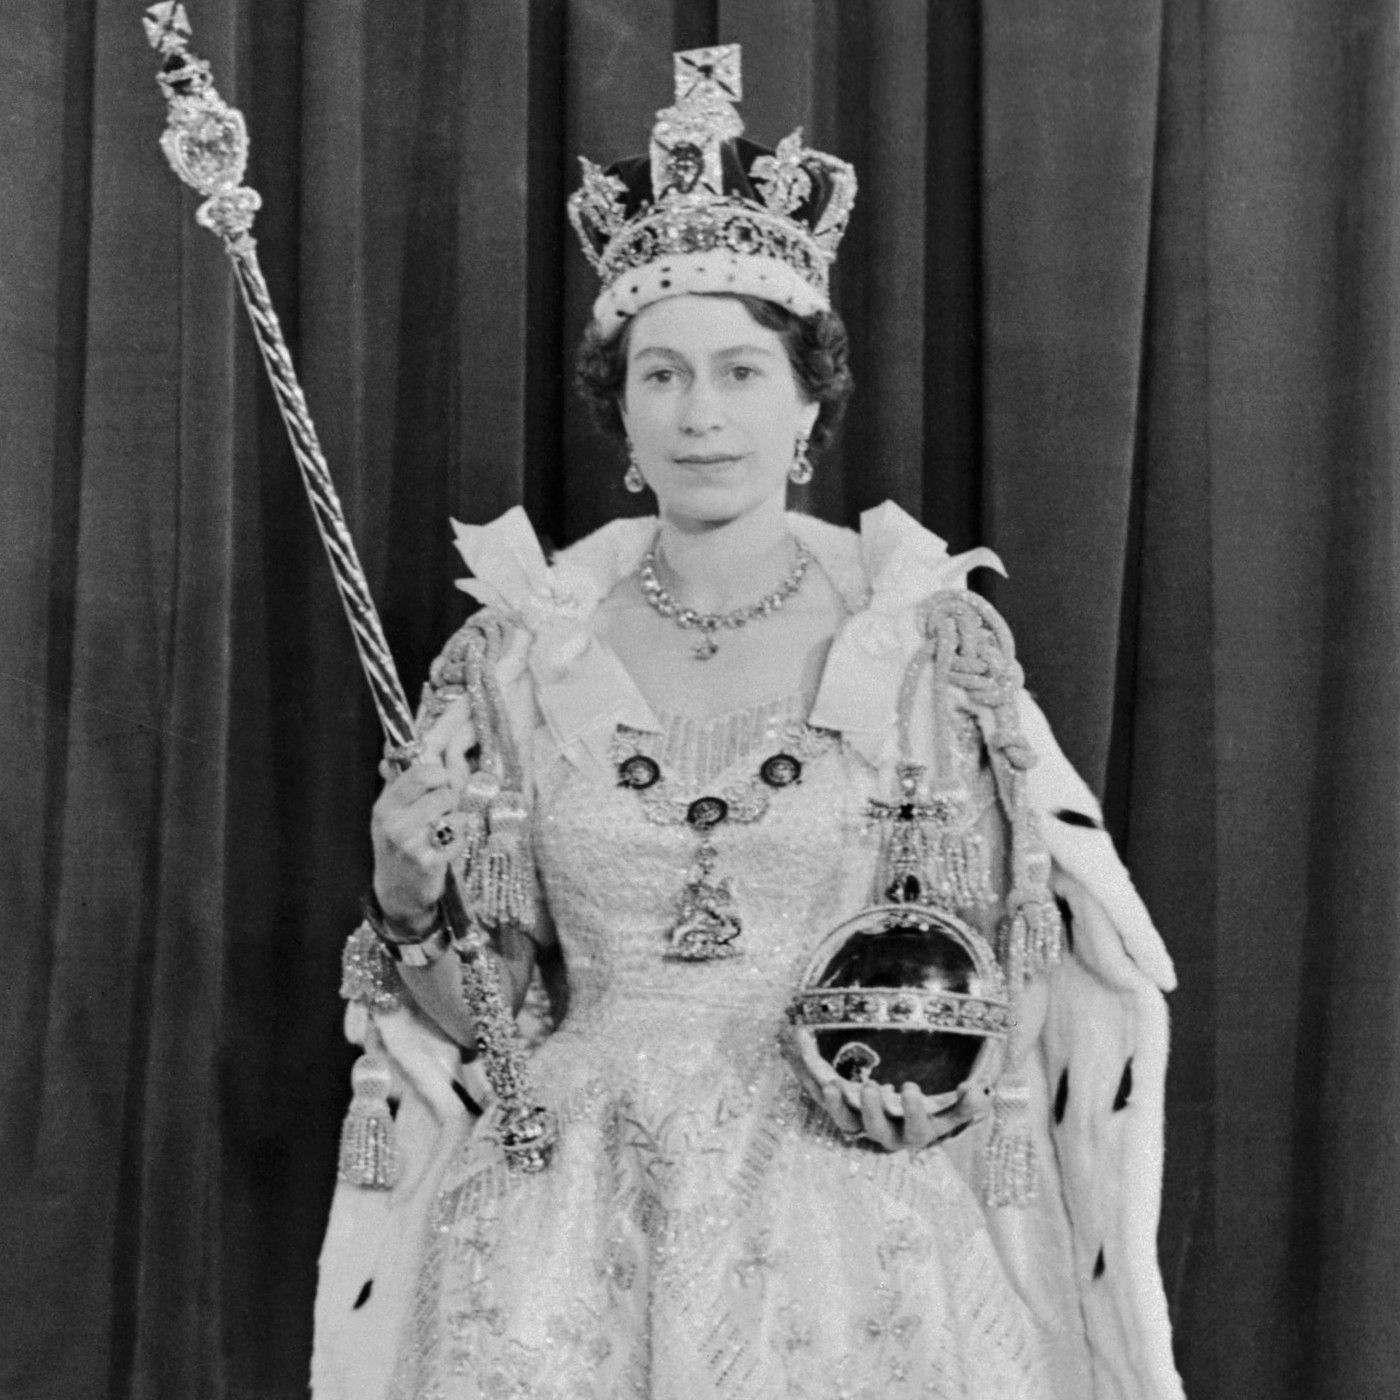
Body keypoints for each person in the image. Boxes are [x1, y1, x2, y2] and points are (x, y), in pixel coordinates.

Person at [312, 45, 1184, 1400]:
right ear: (620, 410)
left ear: (809, 402)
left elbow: (986, 967)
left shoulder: (917, 646)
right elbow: (494, 1020)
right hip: (562, 1230)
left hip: (846, 1228)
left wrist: (931, 1087)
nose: (701, 415)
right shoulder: (520, 659)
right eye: (662, 376)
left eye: (740, 372)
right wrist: (409, 898)